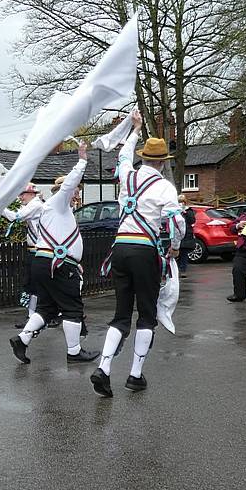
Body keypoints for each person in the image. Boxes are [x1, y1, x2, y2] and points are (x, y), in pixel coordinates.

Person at [91, 110, 184, 397]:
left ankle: (104, 368)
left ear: (142, 158)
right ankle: (134, 374)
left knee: (121, 314)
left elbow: (123, 154)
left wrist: (135, 129)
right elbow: (176, 222)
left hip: (119, 248)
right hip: (144, 252)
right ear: (162, 162)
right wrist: (175, 246)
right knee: (146, 314)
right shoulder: (165, 187)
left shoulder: (127, 177)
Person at [10, 141, 98, 365]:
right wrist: (82, 161)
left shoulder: (57, 209)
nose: (77, 192)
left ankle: (22, 340)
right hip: (57, 265)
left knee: (47, 308)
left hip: (46, 262)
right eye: (77, 189)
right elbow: (69, 185)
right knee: (72, 307)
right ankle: (74, 352)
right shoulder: (58, 202)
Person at [2, 183, 44, 328]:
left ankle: (45, 315)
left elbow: (15, 217)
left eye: (22, 194)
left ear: (31, 194)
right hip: (34, 251)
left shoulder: (36, 205)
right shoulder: (32, 205)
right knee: (32, 284)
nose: (20, 197)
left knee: (38, 284)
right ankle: (32, 317)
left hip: (39, 251)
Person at [177, 195, 196, 278]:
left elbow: (192, 221)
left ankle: (183, 270)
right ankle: (176, 270)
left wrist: (186, 213)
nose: (181, 204)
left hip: (186, 235)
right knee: (176, 254)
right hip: (177, 234)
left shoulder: (189, 211)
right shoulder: (175, 210)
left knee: (184, 253)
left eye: (182, 202)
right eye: (179, 202)